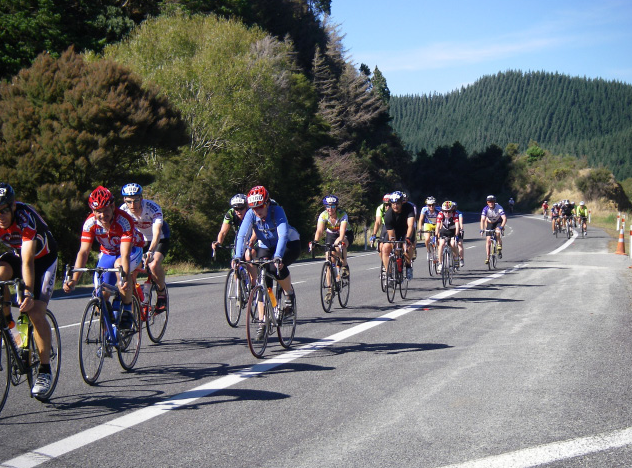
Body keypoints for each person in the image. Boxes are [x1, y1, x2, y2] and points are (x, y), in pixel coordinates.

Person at [0, 183, 57, 396]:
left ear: (13, 206)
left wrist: (28, 293)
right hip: (17, 255)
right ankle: (8, 322)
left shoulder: (25, 218)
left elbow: (28, 262)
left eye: (4, 210)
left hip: (42, 260)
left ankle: (44, 370)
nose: (1, 216)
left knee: (34, 311)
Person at [64, 186, 144, 329]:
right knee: (101, 295)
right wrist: (74, 280)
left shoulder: (123, 220)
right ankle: (107, 340)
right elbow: (83, 252)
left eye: (106, 210)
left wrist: (124, 278)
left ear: (113, 207)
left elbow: (124, 254)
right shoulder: (90, 223)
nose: (102, 215)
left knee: (120, 268)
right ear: (93, 211)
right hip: (108, 253)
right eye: (98, 211)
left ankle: (127, 309)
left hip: (132, 250)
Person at [232, 186, 300, 339]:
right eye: (254, 208)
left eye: (260, 206)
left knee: (276, 266)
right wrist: (237, 256)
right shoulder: (251, 214)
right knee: (264, 282)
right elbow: (242, 235)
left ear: (267, 203)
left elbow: (282, 235)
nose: (257, 211)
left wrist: (278, 257)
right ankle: (263, 321)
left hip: (289, 243)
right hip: (267, 246)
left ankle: (288, 294)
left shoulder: (277, 211)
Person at [120, 183, 170, 312]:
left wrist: (150, 251)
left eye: (136, 200)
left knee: (153, 265)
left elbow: (157, 233)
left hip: (159, 239)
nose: (133, 205)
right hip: (139, 240)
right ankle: (131, 306)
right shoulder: (122, 211)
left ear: (141, 198)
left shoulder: (152, 208)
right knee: (130, 271)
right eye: (129, 201)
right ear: (124, 200)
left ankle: (161, 292)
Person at [310, 194, 353, 280]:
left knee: (338, 244)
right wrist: (315, 241)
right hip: (331, 234)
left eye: (333, 206)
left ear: (336, 206)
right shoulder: (323, 215)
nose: (330, 209)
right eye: (327, 206)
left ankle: (344, 265)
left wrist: (341, 241)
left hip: (345, 233)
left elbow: (342, 230)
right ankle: (330, 289)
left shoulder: (342, 214)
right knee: (329, 261)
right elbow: (319, 230)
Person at [381, 191, 415, 280]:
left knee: (407, 247)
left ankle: (408, 266)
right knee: (385, 248)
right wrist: (395, 246)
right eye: (393, 204)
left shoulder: (409, 208)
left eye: (398, 203)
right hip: (395, 231)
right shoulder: (388, 215)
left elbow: (411, 225)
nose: (395, 206)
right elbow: (391, 235)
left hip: (406, 230)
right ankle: (389, 274)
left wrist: (407, 239)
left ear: (402, 203)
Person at [480, 195, 507, 264]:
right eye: (489, 201)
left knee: (497, 231)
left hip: (498, 222)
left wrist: (502, 226)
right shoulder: (485, 209)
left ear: (495, 202)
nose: (491, 203)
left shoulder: (499, 208)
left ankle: (499, 245)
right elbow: (482, 219)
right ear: (487, 202)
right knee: (488, 240)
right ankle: (488, 257)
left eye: (492, 201)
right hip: (489, 223)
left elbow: (504, 218)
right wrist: (482, 229)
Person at [435, 201, 460, 273]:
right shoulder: (440, 214)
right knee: (441, 244)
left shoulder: (455, 214)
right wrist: (436, 235)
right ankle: (440, 263)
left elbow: (457, 226)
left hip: (452, 231)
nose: (447, 213)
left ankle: (456, 258)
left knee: (452, 244)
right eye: (445, 211)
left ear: (452, 210)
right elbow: (437, 226)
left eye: (449, 211)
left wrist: (456, 235)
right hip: (444, 230)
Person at [453, 201, 465, 268]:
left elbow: (460, 222)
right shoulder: (448, 213)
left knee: (459, 244)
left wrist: (461, 228)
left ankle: (461, 259)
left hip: (458, 229)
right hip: (450, 229)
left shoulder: (459, 213)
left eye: (454, 207)